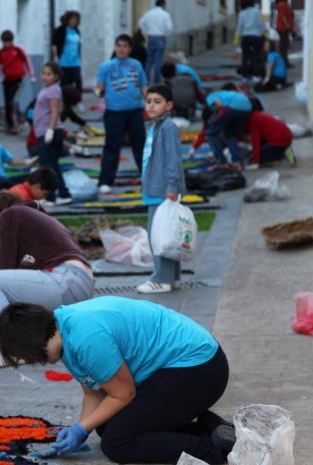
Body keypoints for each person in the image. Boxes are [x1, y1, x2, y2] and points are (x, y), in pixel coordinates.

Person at [0, 297, 233, 465]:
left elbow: (123, 393)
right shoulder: (63, 329)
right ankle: (208, 428)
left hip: (199, 370)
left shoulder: (86, 338)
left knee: (118, 444)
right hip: (182, 367)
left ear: (30, 343)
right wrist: (81, 430)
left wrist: (81, 429)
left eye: (26, 356)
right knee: (106, 425)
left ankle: (215, 449)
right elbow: (93, 391)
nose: (32, 362)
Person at [0, 192, 94, 346]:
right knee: (5, 294)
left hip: (65, 280)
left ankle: (6, 347)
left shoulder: (9, 214)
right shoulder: (38, 218)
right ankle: (20, 341)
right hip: (80, 286)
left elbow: (1, 268)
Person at [136, 85, 185, 295]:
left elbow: (174, 161)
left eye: (157, 101)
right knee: (168, 235)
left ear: (169, 105)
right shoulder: (155, 126)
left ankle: (161, 279)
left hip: (162, 191)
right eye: (149, 101)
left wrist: (172, 187)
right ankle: (172, 277)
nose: (152, 106)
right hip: (154, 188)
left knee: (159, 236)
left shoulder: (168, 128)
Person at [95, 34, 148, 194]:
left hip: (135, 111)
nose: (121, 49)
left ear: (130, 49)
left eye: (125, 46)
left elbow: (144, 85)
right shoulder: (106, 67)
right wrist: (98, 91)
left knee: (141, 146)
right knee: (112, 146)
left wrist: (151, 104)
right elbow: (99, 87)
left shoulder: (136, 65)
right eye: (118, 45)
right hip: (114, 112)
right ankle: (105, 181)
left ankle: (148, 179)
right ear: (115, 47)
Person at [33, 62, 73, 204]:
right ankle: (63, 193)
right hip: (44, 131)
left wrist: (50, 130)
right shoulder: (48, 90)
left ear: (56, 76)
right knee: (52, 166)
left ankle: (51, 196)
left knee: (47, 167)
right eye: (43, 73)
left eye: (49, 74)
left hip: (48, 132)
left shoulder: (53, 90)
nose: (45, 76)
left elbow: (55, 111)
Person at [0, 30, 35, 134]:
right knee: (8, 103)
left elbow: (27, 60)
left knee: (13, 101)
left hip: (18, 79)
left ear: (12, 41)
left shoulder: (18, 50)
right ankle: (10, 124)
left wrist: (31, 74)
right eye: (4, 42)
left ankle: (16, 124)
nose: (6, 44)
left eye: (8, 42)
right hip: (7, 79)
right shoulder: (0, 52)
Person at [205, 87, 253, 170]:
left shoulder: (210, 96)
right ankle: (237, 162)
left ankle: (222, 162)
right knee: (230, 135)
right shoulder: (226, 93)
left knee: (211, 133)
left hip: (231, 108)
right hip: (246, 108)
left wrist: (215, 120)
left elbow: (219, 105)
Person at [138, 0, 173, 83]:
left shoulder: (149, 13)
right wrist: (165, 33)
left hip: (151, 37)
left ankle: (146, 81)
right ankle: (156, 81)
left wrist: (147, 30)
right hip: (160, 37)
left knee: (149, 60)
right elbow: (169, 28)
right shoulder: (165, 14)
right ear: (163, 4)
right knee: (158, 60)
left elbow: (140, 23)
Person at [51, 10, 83, 97]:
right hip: (64, 60)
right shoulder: (60, 30)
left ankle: (78, 99)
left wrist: (80, 57)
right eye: (72, 19)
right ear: (68, 19)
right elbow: (54, 44)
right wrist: (56, 57)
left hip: (75, 61)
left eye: (76, 19)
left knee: (78, 80)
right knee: (65, 82)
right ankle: (64, 101)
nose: (74, 21)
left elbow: (79, 44)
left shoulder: (76, 30)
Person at [235, 0, 266, 80]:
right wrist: (266, 34)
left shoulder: (241, 13)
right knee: (255, 57)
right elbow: (261, 24)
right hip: (256, 36)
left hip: (245, 37)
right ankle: (255, 75)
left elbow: (239, 28)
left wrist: (236, 42)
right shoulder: (256, 11)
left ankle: (244, 75)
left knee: (245, 57)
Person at [275, 0, 294, 68]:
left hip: (282, 28)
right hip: (283, 28)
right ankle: (284, 63)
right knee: (283, 47)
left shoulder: (283, 3)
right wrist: (287, 25)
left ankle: (285, 62)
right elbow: (282, 16)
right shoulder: (282, 4)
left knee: (284, 47)